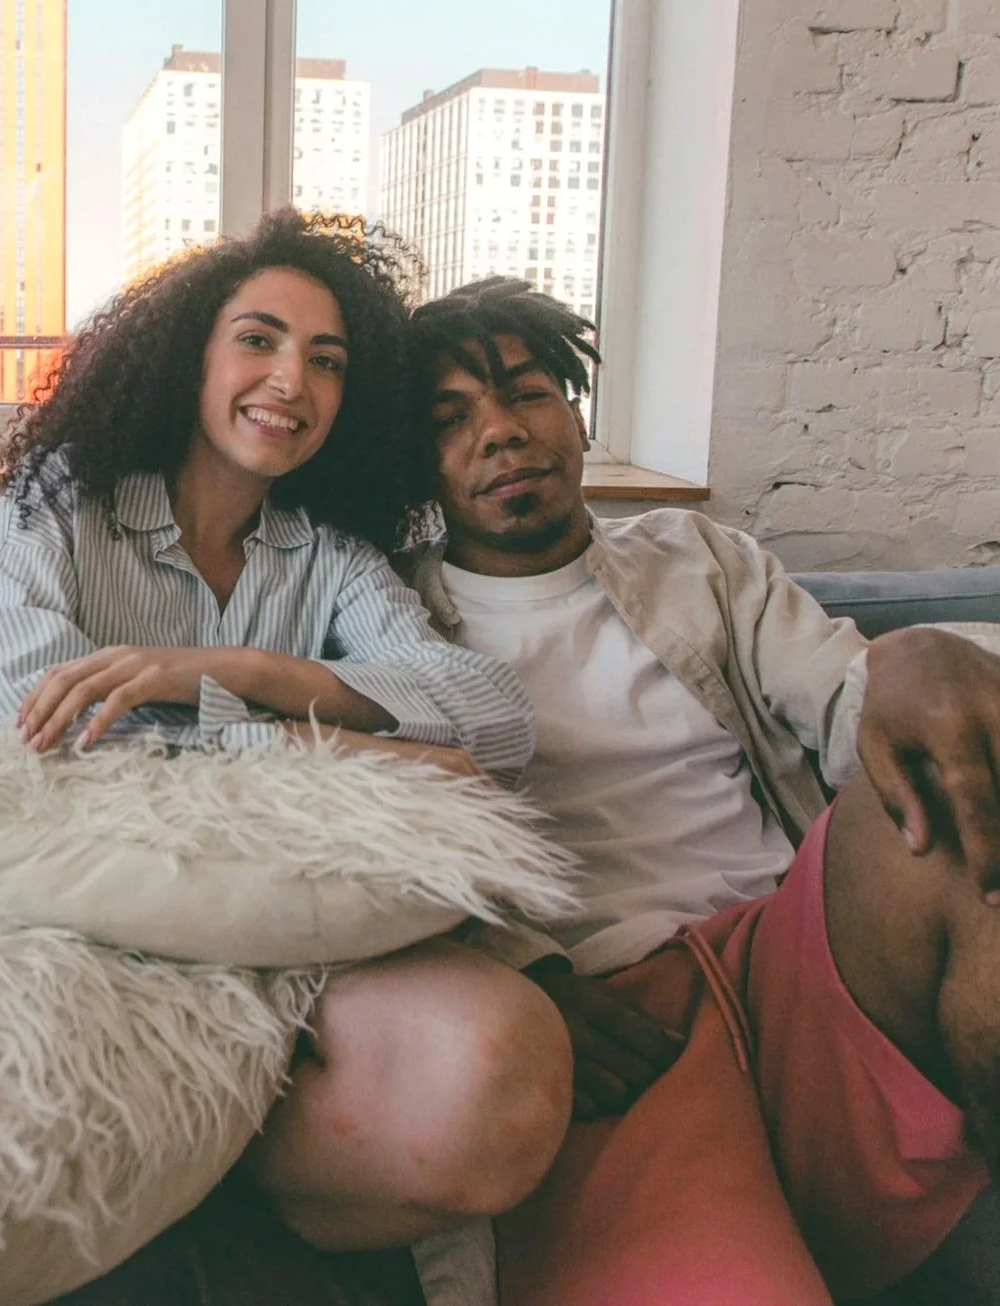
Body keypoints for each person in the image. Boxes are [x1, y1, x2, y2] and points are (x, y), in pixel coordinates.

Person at [0, 216, 570, 1306]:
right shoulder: (65, 506)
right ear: (190, 355)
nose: (290, 380)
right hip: (15, 932)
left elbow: (492, 719)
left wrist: (233, 670)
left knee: (483, 1078)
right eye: (258, 339)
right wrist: (308, 745)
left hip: (246, 960)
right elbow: (13, 727)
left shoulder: (332, 561)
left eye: (327, 360)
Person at [391, 274, 1000, 1304]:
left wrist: (917, 660)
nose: (500, 432)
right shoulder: (389, 619)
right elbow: (373, 857)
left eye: (527, 392)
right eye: (451, 420)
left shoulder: (697, 557)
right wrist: (519, 977)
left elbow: (848, 701)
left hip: (798, 954)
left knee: (950, 789)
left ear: (573, 415)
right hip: (610, 1019)